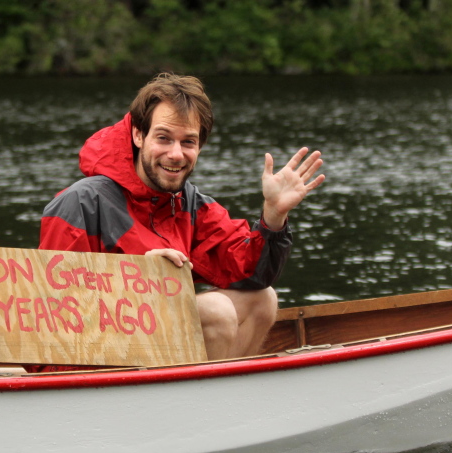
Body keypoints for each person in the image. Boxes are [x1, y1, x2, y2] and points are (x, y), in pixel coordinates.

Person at [39, 73, 324, 361]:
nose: (176, 154)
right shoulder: (80, 203)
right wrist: (136, 283)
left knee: (263, 299)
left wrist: (273, 216)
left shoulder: (190, 203)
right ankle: (201, 399)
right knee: (217, 312)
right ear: (138, 135)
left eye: (188, 142)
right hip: (97, 363)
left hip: (159, 364)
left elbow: (252, 274)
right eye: (163, 138)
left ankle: (223, 400)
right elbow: (50, 316)